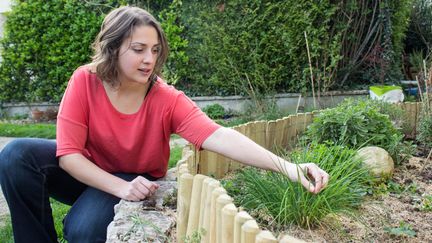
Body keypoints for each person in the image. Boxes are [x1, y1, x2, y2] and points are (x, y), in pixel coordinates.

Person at [0, 6, 329, 243]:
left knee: (82, 231)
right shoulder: (85, 81)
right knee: (15, 155)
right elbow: (69, 155)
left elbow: (219, 134)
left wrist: (289, 167)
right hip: (89, 171)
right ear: (112, 48)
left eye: (155, 50)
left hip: (134, 177)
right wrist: (118, 188)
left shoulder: (166, 98)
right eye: (139, 49)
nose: (149, 59)